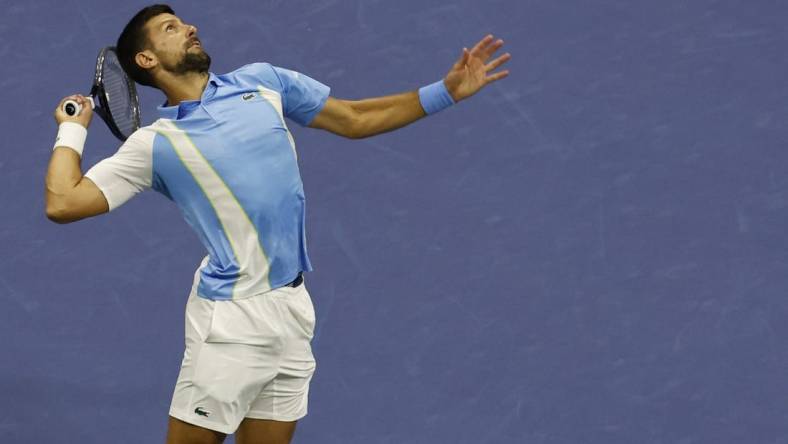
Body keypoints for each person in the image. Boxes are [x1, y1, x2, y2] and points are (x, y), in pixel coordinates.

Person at [44, 4, 510, 444]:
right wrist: (73, 128)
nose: (189, 28)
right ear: (146, 59)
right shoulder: (156, 144)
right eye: (170, 28)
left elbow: (352, 118)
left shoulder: (263, 82)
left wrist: (444, 92)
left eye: (184, 22)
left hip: (292, 308)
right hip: (231, 321)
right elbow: (64, 202)